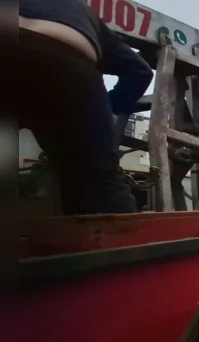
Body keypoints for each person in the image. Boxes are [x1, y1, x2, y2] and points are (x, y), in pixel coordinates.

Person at [18, 0, 154, 215]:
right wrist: (100, 110)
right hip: (71, 65)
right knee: (100, 180)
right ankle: (115, 244)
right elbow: (140, 72)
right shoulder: (82, 12)